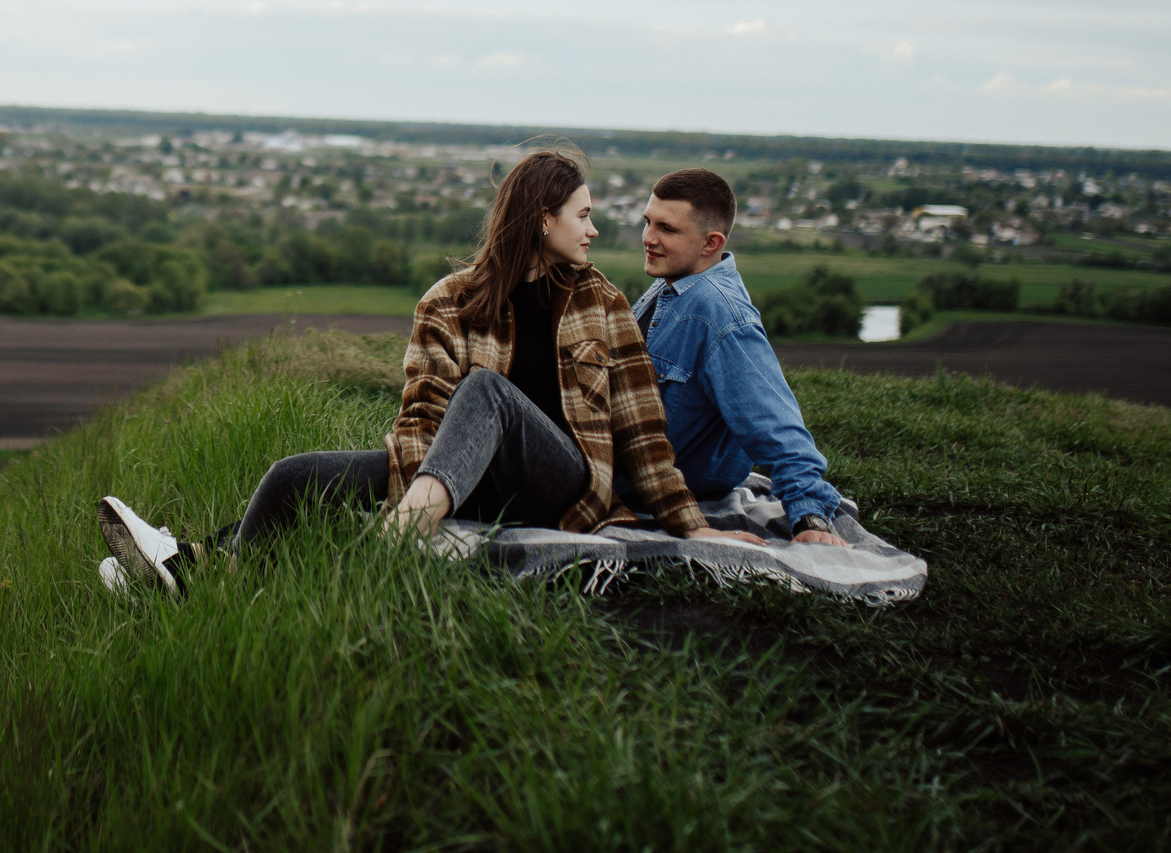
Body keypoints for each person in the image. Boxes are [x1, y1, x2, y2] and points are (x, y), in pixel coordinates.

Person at [97, 144, 753, 597]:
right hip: (463, 476)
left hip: (562, 481)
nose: (595, 228)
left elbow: (641, 428)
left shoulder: (602, 302)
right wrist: (402, 476)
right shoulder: (448, 301)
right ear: (543, 218)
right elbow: (421, 417)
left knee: (488, 392)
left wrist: (690, 522)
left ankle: (399, 532)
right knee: (296, 474)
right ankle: (199, 574)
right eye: (583, 214)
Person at [633, 169, 848, 547]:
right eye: (648, 222)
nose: (648, 238)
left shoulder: (720, 314)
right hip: (622, 464)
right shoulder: (672, 285)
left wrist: (808, 513)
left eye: (666, 228)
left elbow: (774, 420)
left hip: (649, 483)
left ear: (710, 242)